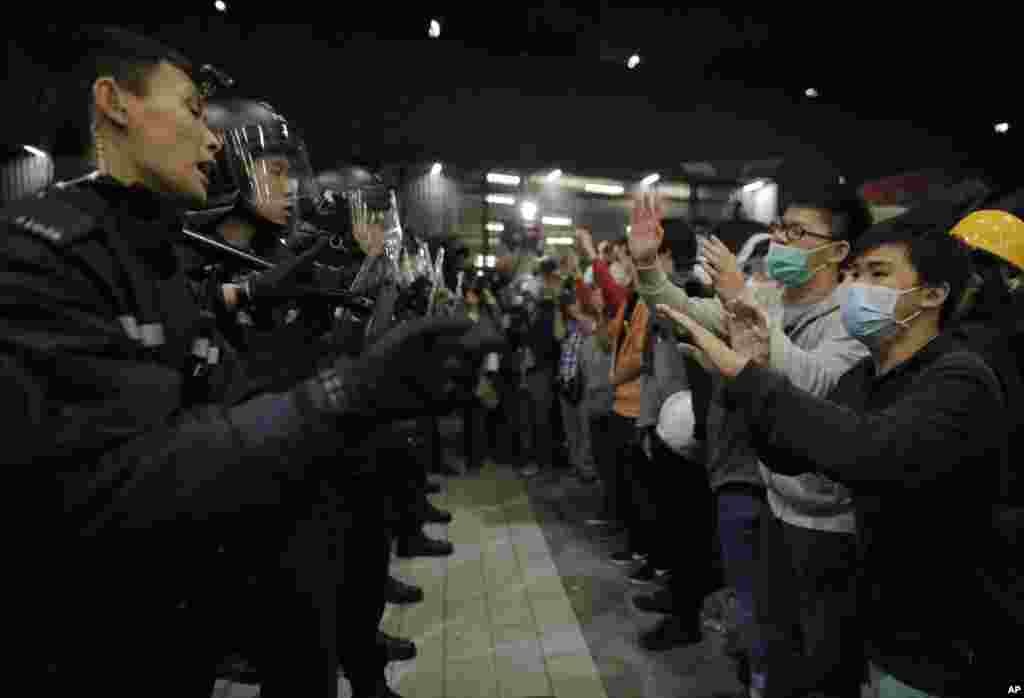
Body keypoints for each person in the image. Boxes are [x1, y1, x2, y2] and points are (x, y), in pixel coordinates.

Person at [0, 27, 502, 698]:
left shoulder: (152, 249)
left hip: (192, 587)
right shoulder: (45, 250)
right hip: (91, 633)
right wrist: (340, 394)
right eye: (190, 110)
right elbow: (119, 479)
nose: (209, 140)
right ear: (114, 103)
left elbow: (213, 401)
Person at [658, 217, 1009, 697]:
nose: (857, 287)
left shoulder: (959, 379)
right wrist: (755, 374)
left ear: (933, 294)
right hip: (882, 622)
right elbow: (793, 455)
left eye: (878, 274)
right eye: (856, 273)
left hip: (948, 641)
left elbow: (866, 451)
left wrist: (751, 379)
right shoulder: (865, 376)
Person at [628, 161, 874, 698]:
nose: (781, 240)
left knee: (825, 654)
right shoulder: (768, 298)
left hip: (826, 516)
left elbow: (814, 383)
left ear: (837, 252)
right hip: (770, 491)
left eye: (797, 232)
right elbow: (685, 313)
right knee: (770, 633)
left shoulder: (853, 320)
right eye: (780, 227)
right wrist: (649, 272)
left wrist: (741, 304)